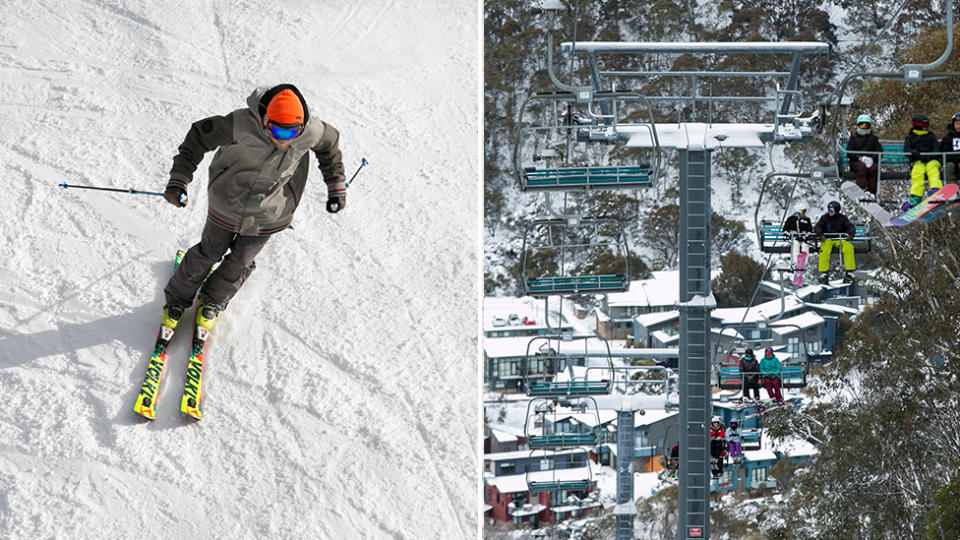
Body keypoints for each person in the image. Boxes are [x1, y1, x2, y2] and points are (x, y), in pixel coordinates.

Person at [160, 84, 346, 331]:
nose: (281, 138)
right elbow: (197, 138)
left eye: (289, 133)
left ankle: (213, 300)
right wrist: (179, 180)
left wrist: (336, 187)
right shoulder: (239, 124)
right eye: (276, 129)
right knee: (208, 253)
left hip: (270, 212)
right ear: (265, 120)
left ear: (300, 128)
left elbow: (330, 147)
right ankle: (176, 301)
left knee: (240, 262)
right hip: (226, 202)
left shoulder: (312, 131)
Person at [903, 113, 942, 210]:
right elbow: (907, 149)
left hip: (932, 160)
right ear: (919, 126)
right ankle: (916, 196)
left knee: (932, 169)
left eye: (927, 126)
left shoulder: (930, 136)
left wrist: (930, 155)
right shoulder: (910, 137)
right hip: (918, 161)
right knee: (917, 172)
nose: (926, 128)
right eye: (925, 126)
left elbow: (936, 148)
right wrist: (914, 153)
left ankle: (936, 189)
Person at [814, 200, 856, 284]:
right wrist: (820, 234)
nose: (830, 211)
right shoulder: (824, 218)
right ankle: (824, 273)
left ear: (837, 210)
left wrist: (850, 234)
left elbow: (850, 226)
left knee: (849, 248)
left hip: (840, 239)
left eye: (832, 210)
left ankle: (849, 272)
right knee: (824, 251)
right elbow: (817, 227)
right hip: (828, 240)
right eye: (829, 209)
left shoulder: (842, 218)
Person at [846, 114, 884, 195]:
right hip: (857, 162)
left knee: (874, 169)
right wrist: (860, 158)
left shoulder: (873, 138)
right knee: (861, 168)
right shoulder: (854, 138)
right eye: (861, 124)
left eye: (866, 125)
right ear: (858, 125)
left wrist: (872, 159)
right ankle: (861, 189)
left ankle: (872, 192)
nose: (864, 126)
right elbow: (849, 152)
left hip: (870, 161)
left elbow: (879, 151)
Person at [940, 112, 960, 183]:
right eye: (957, 124)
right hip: (951, 161)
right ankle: (952, 188)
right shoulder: (948, 137)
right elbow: (944, 151)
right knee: (949, 166)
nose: (958, 126)